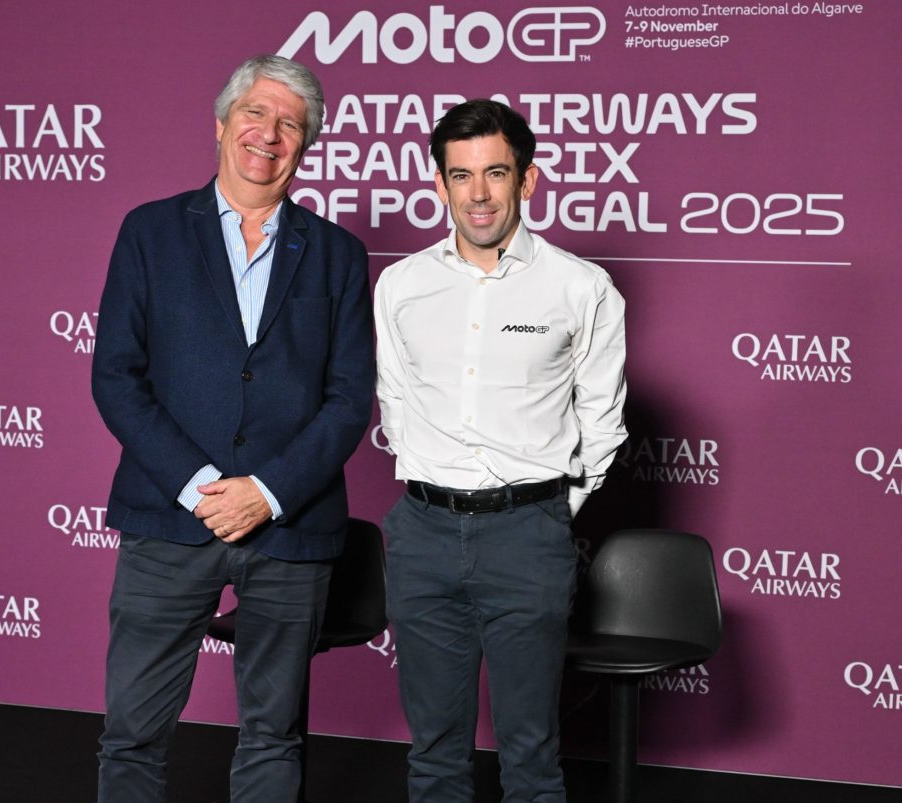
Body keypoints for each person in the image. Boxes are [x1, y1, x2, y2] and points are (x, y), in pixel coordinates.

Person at [91, 54, 375, 803]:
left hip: (290, 527)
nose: (269, 134)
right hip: (168, 519)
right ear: (221, 124)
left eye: (290, 124)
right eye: (255, 113)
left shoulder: (340, 255)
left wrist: (267, 493)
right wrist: (200, 488)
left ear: (307, 144)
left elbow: (350, 398)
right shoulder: (149, 232)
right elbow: (116, 376)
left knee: (273, 736)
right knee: (132, 734)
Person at [374, 99, 627, 802]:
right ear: (440, 184)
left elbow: (602, 419)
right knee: (433, 754)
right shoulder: (401, 284)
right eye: (461, 175)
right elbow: (394, 397)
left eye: (495, 173)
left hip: (527, 535)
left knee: (531, 755)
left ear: (527, 179)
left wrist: (547, 511)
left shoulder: (580, 286)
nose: (478, 194)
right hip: (422, 533)